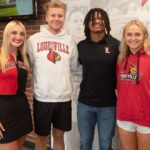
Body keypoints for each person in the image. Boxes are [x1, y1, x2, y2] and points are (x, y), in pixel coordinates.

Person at [27, 0, 79, 150]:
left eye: (60, 16)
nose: (57, 19)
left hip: (63, 98)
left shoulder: (69, 41)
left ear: (64, 18)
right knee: (41, 136)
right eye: (53, 15)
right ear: (47, 17)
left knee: (59, 135)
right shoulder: (33, 40)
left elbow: (74, 67)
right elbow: (27, 65)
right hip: (42, 98)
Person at [77, 8, 120, 150]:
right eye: (93, 18)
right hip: (85, 104)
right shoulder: (81, 46)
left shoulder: (116, 45)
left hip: (108, 105)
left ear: (106, 21)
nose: (97, 21)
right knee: (84, 144)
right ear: (87, 23)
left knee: (106, 145)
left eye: (101, 18)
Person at [117, 19, 150, 150]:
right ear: (124, 37)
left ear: (144, 36)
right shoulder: (121, 59)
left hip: (146, 118)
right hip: (124, 116)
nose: (133, 38)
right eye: (129, 34)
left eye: (137, 34)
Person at [0, 20, 33, 150]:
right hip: (3, 109)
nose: (18, 37)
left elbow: (21, 81)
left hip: (21, 107)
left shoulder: (23, 56)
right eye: (14, 33)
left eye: (22, 34)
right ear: (7, 34)